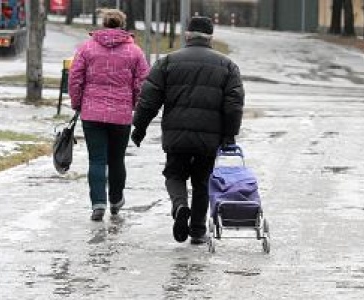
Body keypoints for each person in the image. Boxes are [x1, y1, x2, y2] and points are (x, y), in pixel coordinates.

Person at [131, 16, 244, 244]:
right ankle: (198, 229)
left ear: (187, 35)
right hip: (209, 137)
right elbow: (234, 104)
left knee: (174, 174)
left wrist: (139, 127)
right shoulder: (228, 66)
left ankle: (180, 205)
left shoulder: (167, 62)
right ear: (211, 37)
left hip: (176, 134)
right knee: (202, 180)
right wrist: (229, 135)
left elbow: (148, 100)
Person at [68, 9, 149, 221]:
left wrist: (78, 103)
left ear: (103, 24)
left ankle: (98, 203)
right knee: (116, 159)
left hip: (92, 113)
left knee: (96, 160)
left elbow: (75, 78)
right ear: (122, 25)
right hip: (121, 115)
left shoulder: (86, 48)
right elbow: (143, 83)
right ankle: (115, 200)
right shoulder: (135, 52)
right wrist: (134, 105)